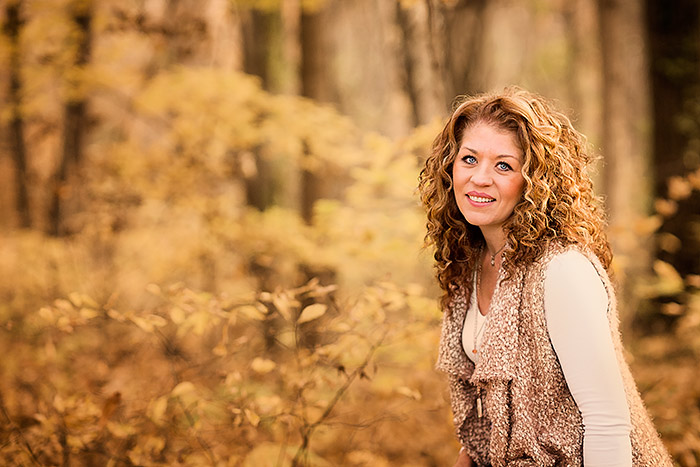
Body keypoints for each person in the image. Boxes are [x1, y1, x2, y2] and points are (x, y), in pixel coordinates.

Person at [418, 87, 673, 467]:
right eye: (469, 159)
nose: (480, 178)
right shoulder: (469, 262)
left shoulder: (562, 271)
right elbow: (498, 409)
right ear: (449, 167)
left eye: (503, 165)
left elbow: (607, 423)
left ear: (536, 181)